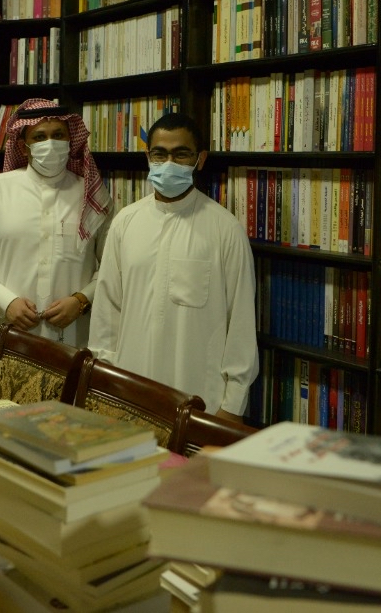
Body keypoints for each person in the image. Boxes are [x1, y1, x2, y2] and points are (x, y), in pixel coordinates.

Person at [88, 112, 258, 420]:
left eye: (181, 154)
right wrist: (104, 382)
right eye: (160, 154)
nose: (169, 163)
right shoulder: (126, 222)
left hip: (199, 398)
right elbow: (107, 311)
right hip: (128, 392)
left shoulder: (225, 229)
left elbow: (241, 322)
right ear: (148, 157)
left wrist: (232, 406)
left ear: (200, 160)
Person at [0, 98, 110, 347]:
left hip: (73, 338)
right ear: (23, 146)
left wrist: (82, 300)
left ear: (70, 140)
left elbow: (111, 264)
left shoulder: (92, 195)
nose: (50, 143)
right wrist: (5, 301)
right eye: (40, 137)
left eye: (58, 135)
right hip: (10, 335)